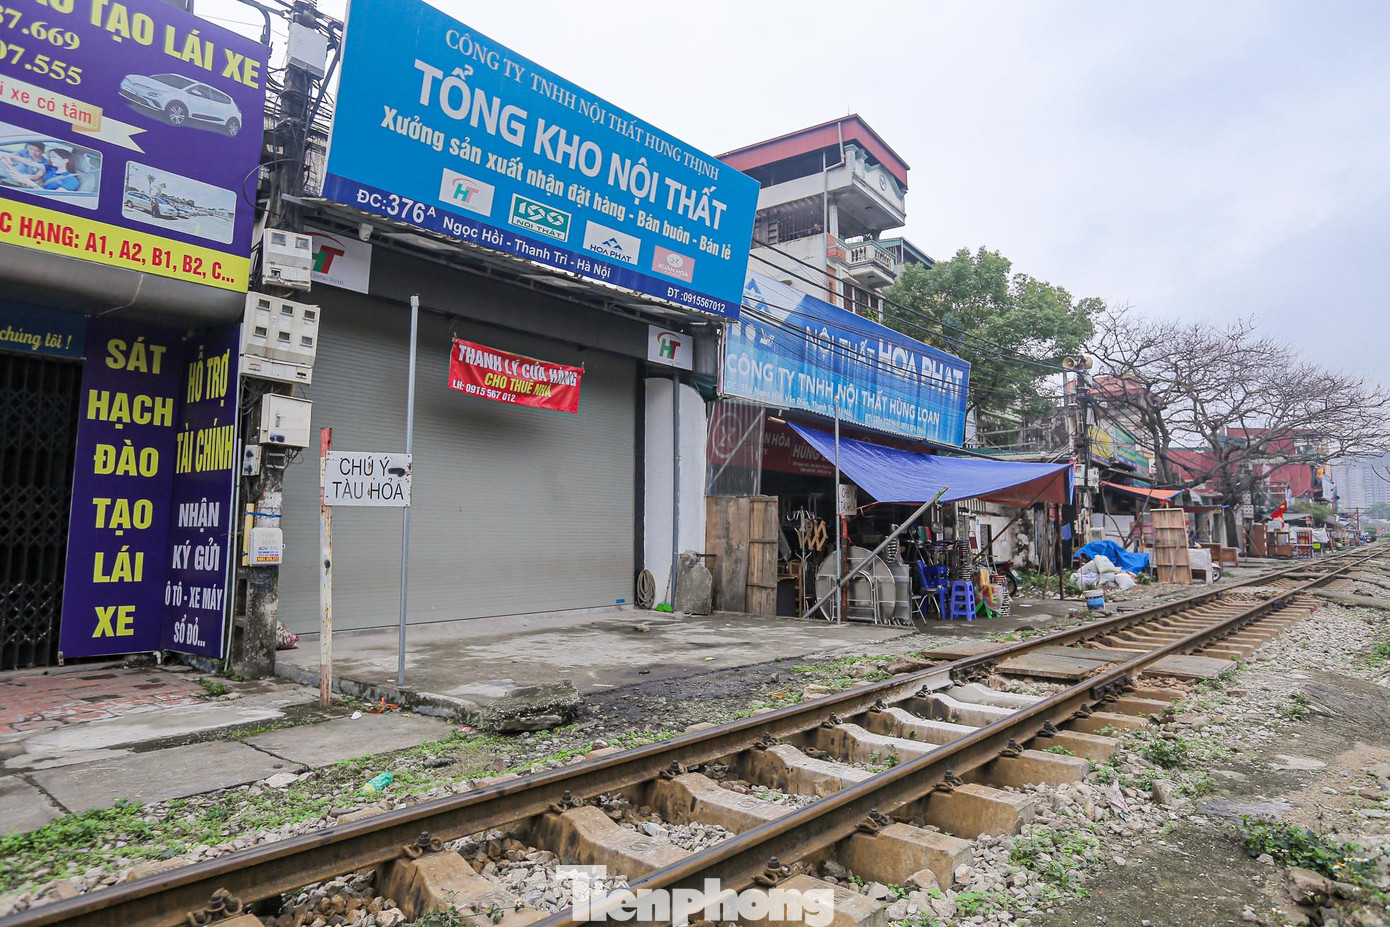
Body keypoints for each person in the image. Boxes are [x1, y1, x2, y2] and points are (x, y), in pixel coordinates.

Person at [8, 149, 80, 192]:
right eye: (50, 157)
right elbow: (30, 163)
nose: (51, 159)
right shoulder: (51, 168)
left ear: (65, 160)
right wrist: (9, 155)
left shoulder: (72, 180)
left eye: (54, 157)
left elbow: (53, 198)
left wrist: (29, 183)